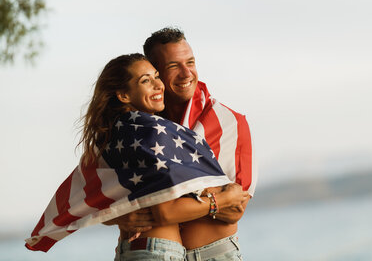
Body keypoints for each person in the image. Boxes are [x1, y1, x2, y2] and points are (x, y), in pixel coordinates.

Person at [25, 53, 250, 260]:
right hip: (157, 251)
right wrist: (222, 200)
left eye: (156, 76)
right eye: (145, 80)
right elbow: (165, 212)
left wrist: (115, 216)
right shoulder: (149, 132)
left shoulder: (118, 133)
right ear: (123, 95)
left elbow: (116, 198)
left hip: (153, 249)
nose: (157, 84)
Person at [140, 27, 258, 261]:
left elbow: (235, 210)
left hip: (213, 254)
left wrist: (161, 203)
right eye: (173, 66)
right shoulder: (139, 126)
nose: (186, 74)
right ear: (154, 73)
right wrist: (212, 194)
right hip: (153, 253)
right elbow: (113, 200)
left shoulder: (227, 122)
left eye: (190, 62)